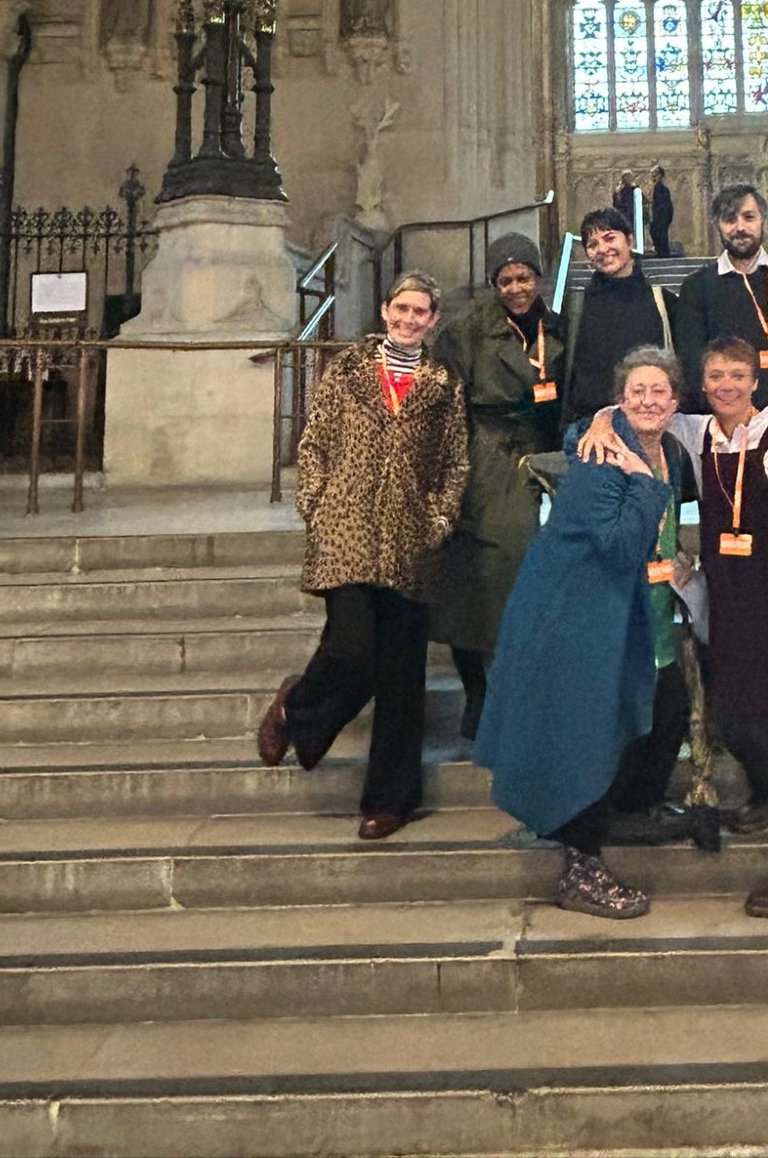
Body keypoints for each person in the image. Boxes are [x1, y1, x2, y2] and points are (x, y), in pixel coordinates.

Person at [586, 335, 768, 915]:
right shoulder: (699, 432)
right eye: (716, 377)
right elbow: (643, 406)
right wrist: (602, 419)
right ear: (701, 386)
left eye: (737, 376)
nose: (726, 386)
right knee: (735, 722)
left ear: (755, 381)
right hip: (733, 610)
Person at [476, 348, 694, 916]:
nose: (648, 400)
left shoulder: (666, 448)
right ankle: (580, 869)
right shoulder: (602, 452)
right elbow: (618, 544)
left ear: (675, 400)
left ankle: (629, 809)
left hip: (616, 607)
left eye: (659, 391)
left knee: (661, 702)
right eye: (637, 390)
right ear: (621, 397)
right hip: (571, 612)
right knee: (585, 731)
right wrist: (644, 484)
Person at [257, 273, 470, 838]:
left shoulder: (443, 383)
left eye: (421, 311)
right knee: (352, 648)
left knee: (401, 676)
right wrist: (316, 504)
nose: (409, 318)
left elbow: (455, 462)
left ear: (433, 319)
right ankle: (298, 708)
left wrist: (440, 519)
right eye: (402, 308)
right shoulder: (348, 368)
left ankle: (390, 801)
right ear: (384, 309)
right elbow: (315, 442)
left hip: (410, 540)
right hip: (347, 532)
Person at [425, 233, 563, 743]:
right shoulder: (466, 334)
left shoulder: (560, 328)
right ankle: (480, 693)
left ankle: (524, 691)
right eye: (505, 280)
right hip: (485, 456)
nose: (516, 288)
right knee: (477, 579)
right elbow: (444, 407)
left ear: (539, 278)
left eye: (524, 277)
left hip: (545, 451)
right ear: (493, 284)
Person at [673, 183, 768, 430]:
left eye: (748, 217)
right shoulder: (696, 287)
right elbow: (692, 361)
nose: (740, 227)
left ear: (763, 221)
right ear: (718, 225)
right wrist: (729, 417)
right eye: (730, 219)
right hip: (723, 426)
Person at [560, 208, 676, 424]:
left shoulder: (663, 302)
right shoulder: (576, 305)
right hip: (589, 425)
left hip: (649, 422)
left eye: (610, 238)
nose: (603, 249)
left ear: (630, 240)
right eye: (593, 245)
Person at [649, 166, 674, 258]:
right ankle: (661, 252)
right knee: (657, 232)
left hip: (661, 215)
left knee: (660, 234)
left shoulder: (660, 188)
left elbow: (663, 204)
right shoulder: (657, 187)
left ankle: (662, 253)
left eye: (654, 174)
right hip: (661, 215)